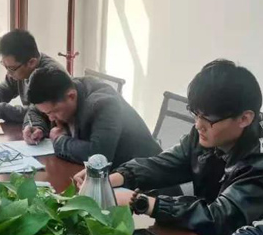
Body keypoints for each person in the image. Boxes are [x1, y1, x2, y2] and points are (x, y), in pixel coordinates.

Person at [75, 59, 263, 235]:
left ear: (244, 118)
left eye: (207, 119)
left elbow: (222, 220)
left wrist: (141, 202)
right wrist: (111, 178)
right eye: (195, 114)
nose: (198, 125)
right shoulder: (209, 130)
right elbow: (168, 163)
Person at [22, 66, 162, 168]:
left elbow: (99, 155)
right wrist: (36, 126)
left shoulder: (104, 104)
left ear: (71, 96)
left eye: (53, 112)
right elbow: (34, 110)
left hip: (145, 181)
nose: (51, 118)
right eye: (47, 113)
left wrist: (59, 140)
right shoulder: (65, 89)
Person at [0, 29, 65, 123]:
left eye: (11, 68)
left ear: (31, 62)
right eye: (5, 66)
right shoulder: (22, 68)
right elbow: (7, 87)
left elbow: (37, 113)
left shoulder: (51, 76)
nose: (8, 73)